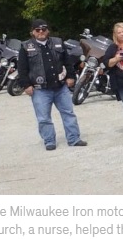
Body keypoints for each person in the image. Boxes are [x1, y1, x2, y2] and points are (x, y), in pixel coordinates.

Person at [18, 19, 87, 151]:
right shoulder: (25, 46)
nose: (41, 32)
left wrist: (71, 76)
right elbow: (22, 68)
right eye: (37, 30)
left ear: (48, 30)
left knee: (69, 113)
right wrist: (26, 85)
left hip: (61, 87)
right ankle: (49, 141)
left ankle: (74, 139)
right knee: (43, 118)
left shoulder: (58, 42)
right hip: (39, 89)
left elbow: (68, 61)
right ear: (32, 32)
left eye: (43, 29)